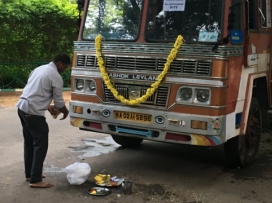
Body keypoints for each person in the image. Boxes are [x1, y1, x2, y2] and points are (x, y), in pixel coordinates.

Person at [16, 53, 70, 188]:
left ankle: (30, 174)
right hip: (33, 113)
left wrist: (46, 106)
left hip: (22, 108)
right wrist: (65, 112)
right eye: (65, 66)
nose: (64, 69)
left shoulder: (39, 69)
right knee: (41, 145)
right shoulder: (55, 76)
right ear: (60, 64)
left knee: (29, 143)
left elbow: (33, 91)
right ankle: (35, 180)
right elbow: (59, 102)